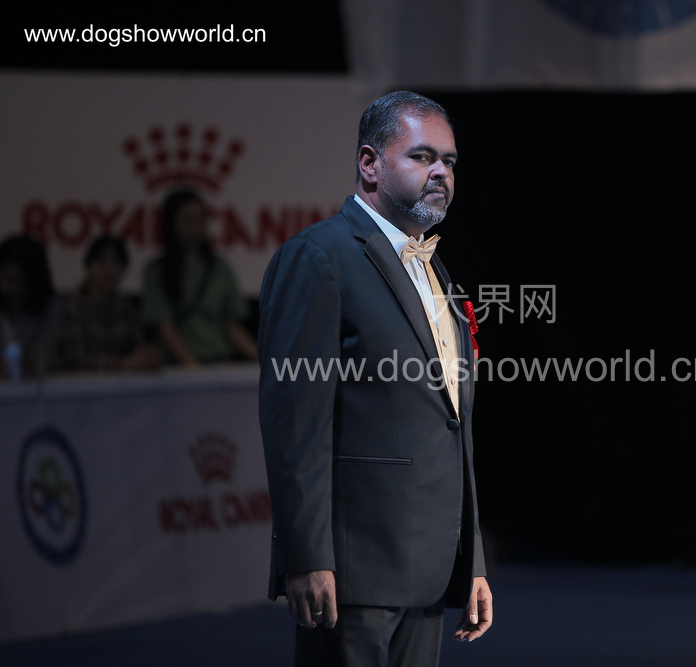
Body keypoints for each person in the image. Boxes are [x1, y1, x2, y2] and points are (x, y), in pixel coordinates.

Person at [258, 91, 492, 666]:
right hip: (352, 570)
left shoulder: (433, 267)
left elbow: (451, 426)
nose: (441, 172)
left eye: (449, 161)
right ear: (370, 163)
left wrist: (472, 562)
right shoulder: (320, 257)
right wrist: (306, 556)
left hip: (429, 567)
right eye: (422, 156)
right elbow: (296, 426)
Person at [142, 189, 257, 367]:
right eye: (188, 219)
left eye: (201, 219)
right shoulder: (157, 271)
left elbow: (231, 325)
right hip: (178, 367)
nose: (196, 227)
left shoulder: (219, 268)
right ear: (171, 223)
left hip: (219, 361)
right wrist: (191, 365)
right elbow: (164, 327)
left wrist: (260, 360)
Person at [54, 235, 161, 372]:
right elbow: (73, 358)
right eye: (102, 261)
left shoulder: (126, 306)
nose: (110, 269)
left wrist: (147, 358)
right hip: (78, 382)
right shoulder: (71, 304)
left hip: (122, 382)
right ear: (88, 266)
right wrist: (121, 364)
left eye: (117, 262)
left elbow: (137, 345)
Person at [0, 234, 60, 380]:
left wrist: (13, 366)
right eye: (5, 278)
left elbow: (40, 359)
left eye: (15, 279)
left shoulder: (47, 304)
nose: (8, 287)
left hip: (31, 388)